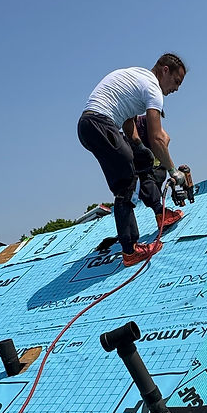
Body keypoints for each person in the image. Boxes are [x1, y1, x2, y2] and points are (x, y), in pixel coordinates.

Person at [77, 55, 189, 266]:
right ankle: (130, 251)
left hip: (90, 126)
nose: (176, 89)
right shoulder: (153, 89)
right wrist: (173, 171)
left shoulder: (137, 77)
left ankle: (161, 214)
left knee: (141, 162)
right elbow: (157, 139)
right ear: (165, 70)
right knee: (126, 183)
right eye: (176, 81)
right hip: (100, 123)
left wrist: (138, 146)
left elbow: (128, 120)